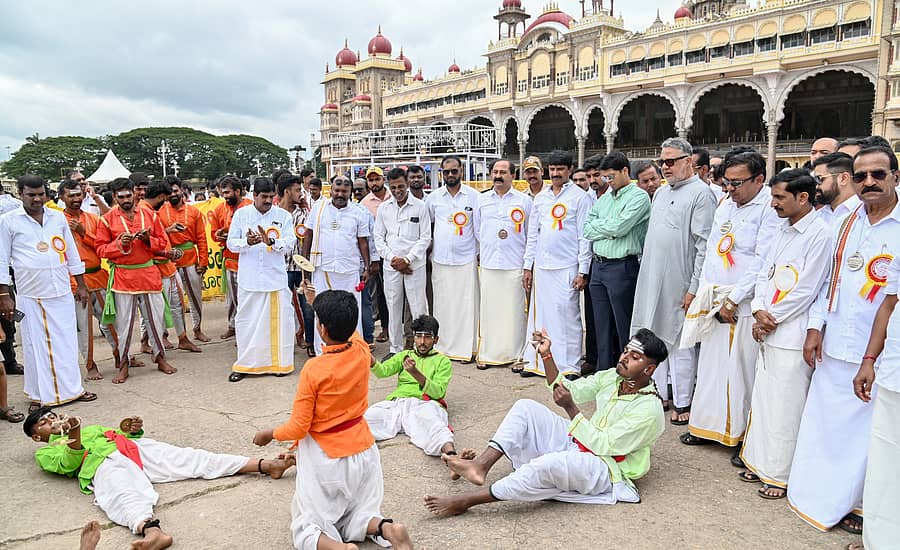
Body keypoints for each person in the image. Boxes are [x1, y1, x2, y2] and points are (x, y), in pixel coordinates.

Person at [425, 327, 667, 516]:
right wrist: (547, 355)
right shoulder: (612, 377)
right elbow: (570, 389)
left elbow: (602, 445)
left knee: (547, 465)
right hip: (582, 441)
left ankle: (466, 501)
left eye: (634, 357)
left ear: (649, 370)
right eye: (625, 351)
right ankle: (480, 466)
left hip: (607, 468)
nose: (624, 358)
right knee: (526, 407)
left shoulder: (649, 410)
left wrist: (571, 408)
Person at [788, 146, 900, 534]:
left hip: (883, 352)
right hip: (836, 340)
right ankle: (823, 497)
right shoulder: (845, 221)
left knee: (874, 434)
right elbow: (827, 279)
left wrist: (873, 355)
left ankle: (863, 505)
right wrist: (815, 328)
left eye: (879, 174)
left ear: (895, 178)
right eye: (862, 175)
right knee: (828, 424)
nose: (869, 182)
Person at [252, 290, 413, 550]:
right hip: (364, 451)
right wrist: (320, 304)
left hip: (328, 460)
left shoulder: (315, 370)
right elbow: (350, 331)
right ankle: (387, 528)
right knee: (357, 513)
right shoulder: (361, 349)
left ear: (322, 329)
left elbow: (299, 427)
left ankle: (341, 548)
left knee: (306, 526)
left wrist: (270, 433)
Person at [25, 406, 295, 550]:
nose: (53, 421)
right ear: (38, 436)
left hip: (132, 449)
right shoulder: (47, 452)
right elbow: (70, 462)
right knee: (124, 495)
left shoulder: (90, 427)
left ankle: (266, 465)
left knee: (194, 458)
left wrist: (131, 429)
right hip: (101, 464)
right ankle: (153, 532)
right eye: (45, 423)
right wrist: (74, 435)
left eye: (53, 417)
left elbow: (119, 434)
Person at [680, 151, 781, 460]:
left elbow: (762, 261)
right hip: (716, 298)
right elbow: (713, 250)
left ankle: (741, 436)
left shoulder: (769, 209)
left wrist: (735, 298)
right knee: (711, 366)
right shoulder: (726, 204)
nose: (730, 189)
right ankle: (706, 426)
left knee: (741, 370)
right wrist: (706, 293)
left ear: (759, 179)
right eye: (726, 182)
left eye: (737, 183)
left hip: (743, 304)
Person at [739, 170, 832, 499]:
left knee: (786, 407)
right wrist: (758, 309)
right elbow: (764, 272)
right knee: (764, 400)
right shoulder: (781, 229)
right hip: (768, 327)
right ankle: (757, 461)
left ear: (803, 198)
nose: (773, 203)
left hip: (792, 332)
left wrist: (771, 317)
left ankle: (780, 475)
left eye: (779, 197)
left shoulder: (820, 233)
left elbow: (807, 288)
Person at [631, 137, 716, 425]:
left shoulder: (701, 194)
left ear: (688, 161)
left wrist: (693, 288)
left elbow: (705, 246)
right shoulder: (660, 193)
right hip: (653, 278)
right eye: (662, 161)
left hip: (680, 281)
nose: (665, 167)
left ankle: (683, 402)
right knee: (654, 338)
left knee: (679, 344)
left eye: (671, 161)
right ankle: (661, 395)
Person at [0, 175, 97, 410]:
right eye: (31, 194)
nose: (36, 199)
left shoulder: (57, 217)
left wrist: (81, 285)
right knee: (36, 346)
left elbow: (72, 252)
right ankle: (39, 396)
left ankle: (74, 389)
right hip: (30, 293)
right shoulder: (8, 221)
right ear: (20, 194)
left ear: (46, 193)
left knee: (66, 342)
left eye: (40, 194)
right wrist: (4, 295)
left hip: (61, 290)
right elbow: (2, 259)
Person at [95, 177, 177, 384]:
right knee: (124, 326)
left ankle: (160, 358)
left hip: (149, 275)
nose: (125, 200)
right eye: (120, 197)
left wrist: (147, 240)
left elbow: (162, 243)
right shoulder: (106, 219)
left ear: (135, 193)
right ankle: (124, 364)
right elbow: (101, 250)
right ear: (114, 197)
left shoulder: (149, 214)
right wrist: (118, 244)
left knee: (156, 321)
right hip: (124, 278)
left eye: (128, 195)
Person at [520, 150, 593, 379]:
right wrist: (527, 266)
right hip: (542, 266)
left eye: (560, 169)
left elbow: (585, 236)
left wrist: (583, 270)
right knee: (540, 316)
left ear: (569, 170)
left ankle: (569, 365)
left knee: (568, 315)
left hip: (567, 266)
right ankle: (538, 362)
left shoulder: (580, 198)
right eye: (552, 170)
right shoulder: (541, 198)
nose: (556, 173)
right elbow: (533, 235)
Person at [584, 152, 650, 373]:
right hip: (599, 266)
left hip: (622, 266)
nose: (608, 182)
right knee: (601, 326)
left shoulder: (639, 197)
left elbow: (621, 227)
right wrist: (609, 228)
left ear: (624, 171)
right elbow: (587, 229)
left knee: (624, 326)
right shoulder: (604, 199)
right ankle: (604, 373)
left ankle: (630, 374)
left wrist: (604, 227)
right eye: (605, 178)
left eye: (611, 177)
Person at [226, 177, 296, 382]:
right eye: (263, 197)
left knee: (279, 323)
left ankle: (279, 364)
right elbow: (231, 244)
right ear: (254, 195)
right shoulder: (242, 214)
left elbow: (290, 242)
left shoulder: (283, 216)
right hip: (250, 279)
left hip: (275, 279)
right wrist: (246, 242)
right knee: (247, 322)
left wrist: (271, 241)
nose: (267, 201)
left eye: (270, 197)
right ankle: (245, 365)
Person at [853, 254, 900, 549]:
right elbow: (889, 302)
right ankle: (880, 541)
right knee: (886, 460)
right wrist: (869, 358)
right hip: (894, 370)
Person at [366, 314, 457, 458]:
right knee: (365, 419)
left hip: (424, 404)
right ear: (413, 337)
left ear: (436, 339)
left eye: (427, 337)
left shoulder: (443, 361)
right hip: (397, 403)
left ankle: (452, 458)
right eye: (418, 336)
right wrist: (370, 360)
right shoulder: (404, 355)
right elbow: (383, 371)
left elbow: (438, 392)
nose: (422, 342)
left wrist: (415, 373)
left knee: (436, 426)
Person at [302, 176, 371, 354]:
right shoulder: (319, 208)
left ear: (349, 193)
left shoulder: (359, 212)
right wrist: (305, 265)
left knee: (351, 311)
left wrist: (367, 267)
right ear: (330, 190)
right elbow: (308, 236)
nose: (340, 194)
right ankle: (322, 351)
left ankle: (352, 350)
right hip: (322, 268)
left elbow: (362, 241)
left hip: (349, 269)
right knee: (322, 310)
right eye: (337, 190)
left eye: (344, 191)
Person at [475, 159, 532, 369]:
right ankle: (489, 354)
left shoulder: (524, 201)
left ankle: (517, 355)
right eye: (495, 172)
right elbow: (477, 230)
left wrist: (527, 265)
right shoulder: (481, 200)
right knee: (490, 311)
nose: (498, 175)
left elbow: (529, 234)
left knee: (515, 312)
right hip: (490, 264)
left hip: (514, 264)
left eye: (503, 172)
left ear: (512, 175)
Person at [60, 180, 117, 380]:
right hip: (75, 281)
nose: (76, 199)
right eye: (71, 195)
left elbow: (103, 246)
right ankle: (90, 365)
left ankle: (121, 356)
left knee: (111, 320)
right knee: (85, 327)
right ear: (61, 198)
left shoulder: (93, 219)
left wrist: (84, 233)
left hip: (98, 276)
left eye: (78, 195)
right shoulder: (57, 221)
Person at [426, 155, 480, 362]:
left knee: (467, 305)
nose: (450, 175)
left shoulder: (474, 197)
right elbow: (428, 226)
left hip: (466, 260)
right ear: (442, 173)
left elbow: (479, 229)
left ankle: (467, 349)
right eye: (446, 171)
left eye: (454, 171)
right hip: (440, 260)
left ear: (461, 171)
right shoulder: (434, 198)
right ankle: (444, 347)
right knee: (443, 305)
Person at [374, 168, 431, 360]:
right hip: (391, 265)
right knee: (393, 307)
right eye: (394, 187)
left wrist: (407, 260)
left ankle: (421, 348)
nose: (398, 190)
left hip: (414, 265)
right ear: (389, 186)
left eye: (401, 186)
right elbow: (379, 239)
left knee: (418, 308)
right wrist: (394, 260)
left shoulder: (420, 206)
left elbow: (425, 238)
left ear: (407, 184)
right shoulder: (384, 208)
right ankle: (396, 349)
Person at [142, 181, 200, 354]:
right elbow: (144, 242)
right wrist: (167, 253)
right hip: (157, 268)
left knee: (177, 304)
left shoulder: (149, 211)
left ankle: (183, 338)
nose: (167, 202)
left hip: (168, 266)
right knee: (156, 310)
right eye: (165, 198)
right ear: (161, 197)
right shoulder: (144, 212)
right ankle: (154, 347)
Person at [158, 175, 210, 343]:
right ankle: (171, 336)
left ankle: (197, 329)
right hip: (169, 262)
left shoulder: (194, 211)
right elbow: (157, 237)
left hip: (190, 261)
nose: (173, 194)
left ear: (181, 190)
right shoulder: (160, 212)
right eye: (169, 192)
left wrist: (203, 262)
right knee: (171, 302)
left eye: (175, 190)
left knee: (195, 298)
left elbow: (202, 238)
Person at [208, 176, 252, 339]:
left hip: (248, 261)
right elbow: (214, 233)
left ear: (238, 191)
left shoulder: (250, 207)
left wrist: (230, 234)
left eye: (227, 192)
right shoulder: (220, 209)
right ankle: (234, 327)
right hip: (231, 261)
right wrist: (220, 235)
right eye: (222, 193)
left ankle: (246, 331)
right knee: (234, 299)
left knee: (246, 299)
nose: (225, 196)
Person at [277, 174, 315, 354]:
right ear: (286, 192)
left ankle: (311, 342)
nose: (301, 193)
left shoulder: (305, 213)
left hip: (301, 269)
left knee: (308, 307)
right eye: (298, 190)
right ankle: (284, 344)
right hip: (281, 268)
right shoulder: (274, 214)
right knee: (283, 307)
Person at [361, 166, 391, 343]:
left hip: (396, 251)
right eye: (371, 180)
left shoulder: (394, 195)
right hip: (377, 255)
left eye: (377, 179)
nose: (374, 183)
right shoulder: (364, 204)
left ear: (383, 179)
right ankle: (385, 328)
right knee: (381, 293)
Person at [811, 152, 860, 226]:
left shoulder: (864, 212)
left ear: (843, 179)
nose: (816, 186)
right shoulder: (818, 215)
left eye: (819, 179)